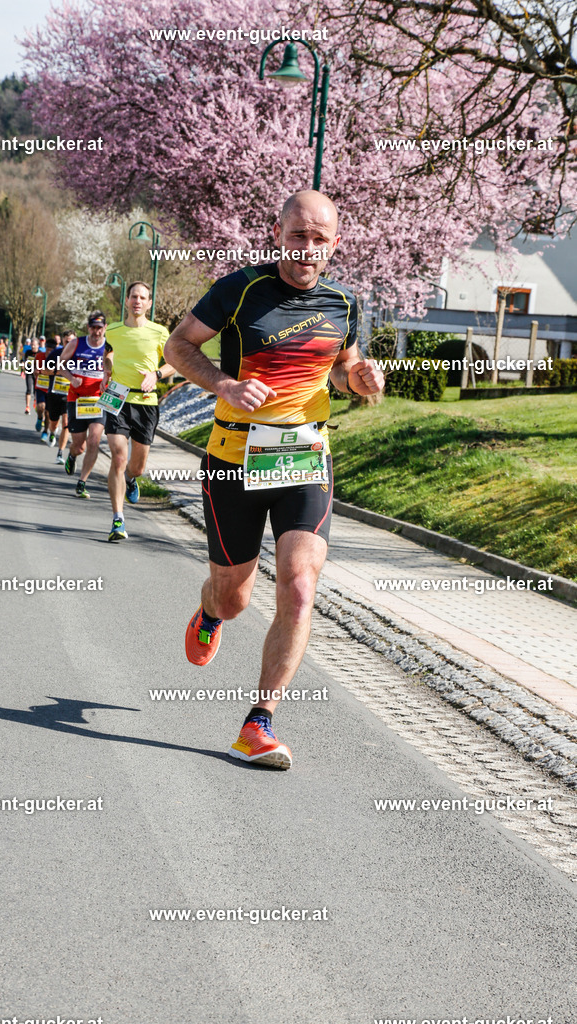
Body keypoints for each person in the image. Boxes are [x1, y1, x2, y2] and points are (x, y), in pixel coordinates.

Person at [164, 190, 385, 769]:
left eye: (319, 239)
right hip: (233, 459)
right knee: (235, 597)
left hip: (304, 459)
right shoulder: (239, 290)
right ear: (278, 233)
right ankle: (210, 612)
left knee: (299, 585)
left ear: (335, 243)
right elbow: (178, 344)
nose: (306, 249)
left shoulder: (344, 303)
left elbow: (339, 372)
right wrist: (224, 385)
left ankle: (259, 722)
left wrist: (357, 381)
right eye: (297, 236)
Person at [102, 281, 175, 542]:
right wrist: (107, 368)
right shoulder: (112, 330)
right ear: (127, 301)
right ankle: (117, 519)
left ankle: (132, 480)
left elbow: (174, 363)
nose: (137, 301)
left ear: (149, 304)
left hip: (145, 401)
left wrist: (155, 375)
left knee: (138, 467)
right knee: (118, 457)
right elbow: (107, 354)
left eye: (143, 298)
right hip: (116, 396)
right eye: (133, 296)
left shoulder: (159, 332)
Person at [58, 312, 108, 499]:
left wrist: (107, 380)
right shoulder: (76, 344)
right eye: (93, 327)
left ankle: (82, 482)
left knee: (94, 440)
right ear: (88, 327)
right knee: (79, 446)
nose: (96, 331)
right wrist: (71, 378)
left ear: (105, 328)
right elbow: (61, 364)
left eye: (100, 328)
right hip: (77, 399)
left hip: (98, 400)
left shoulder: (109, 348)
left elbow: (115, 369)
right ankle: (72, 455)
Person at [46, 331, 75, 463]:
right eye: (66, 341)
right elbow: (44, 370)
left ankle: (60, 453)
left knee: (66, 423)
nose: (68, 343)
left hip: (69, 395)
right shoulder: (56, 354)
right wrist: (58, 371)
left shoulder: (78, 355)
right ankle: (52, 432)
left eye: (71, 341)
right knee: (53, 422)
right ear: (62, 341)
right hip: (54, 393)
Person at [35, 338, 56, 441]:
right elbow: (34, 370)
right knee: (40, 407)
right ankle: (39, 418)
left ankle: (45, 431)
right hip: (40, 387)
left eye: (51, 350)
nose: (48, 352)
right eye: (47, 349)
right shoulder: (39, 356)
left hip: (51, 388)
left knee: (48, 413)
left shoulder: (58, 358)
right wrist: (36, 372)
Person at [22, 339, 36, 415]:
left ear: (38, 345)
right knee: (29, 389)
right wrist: (23, 369)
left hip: (37, 374)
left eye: (34, 345)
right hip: (29, 373)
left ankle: (36, 402)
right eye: (31, 345)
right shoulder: (28, 352)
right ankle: (27, 407)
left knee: (35, 391)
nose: (33, 346)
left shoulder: (40, 353)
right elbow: (24, 361)